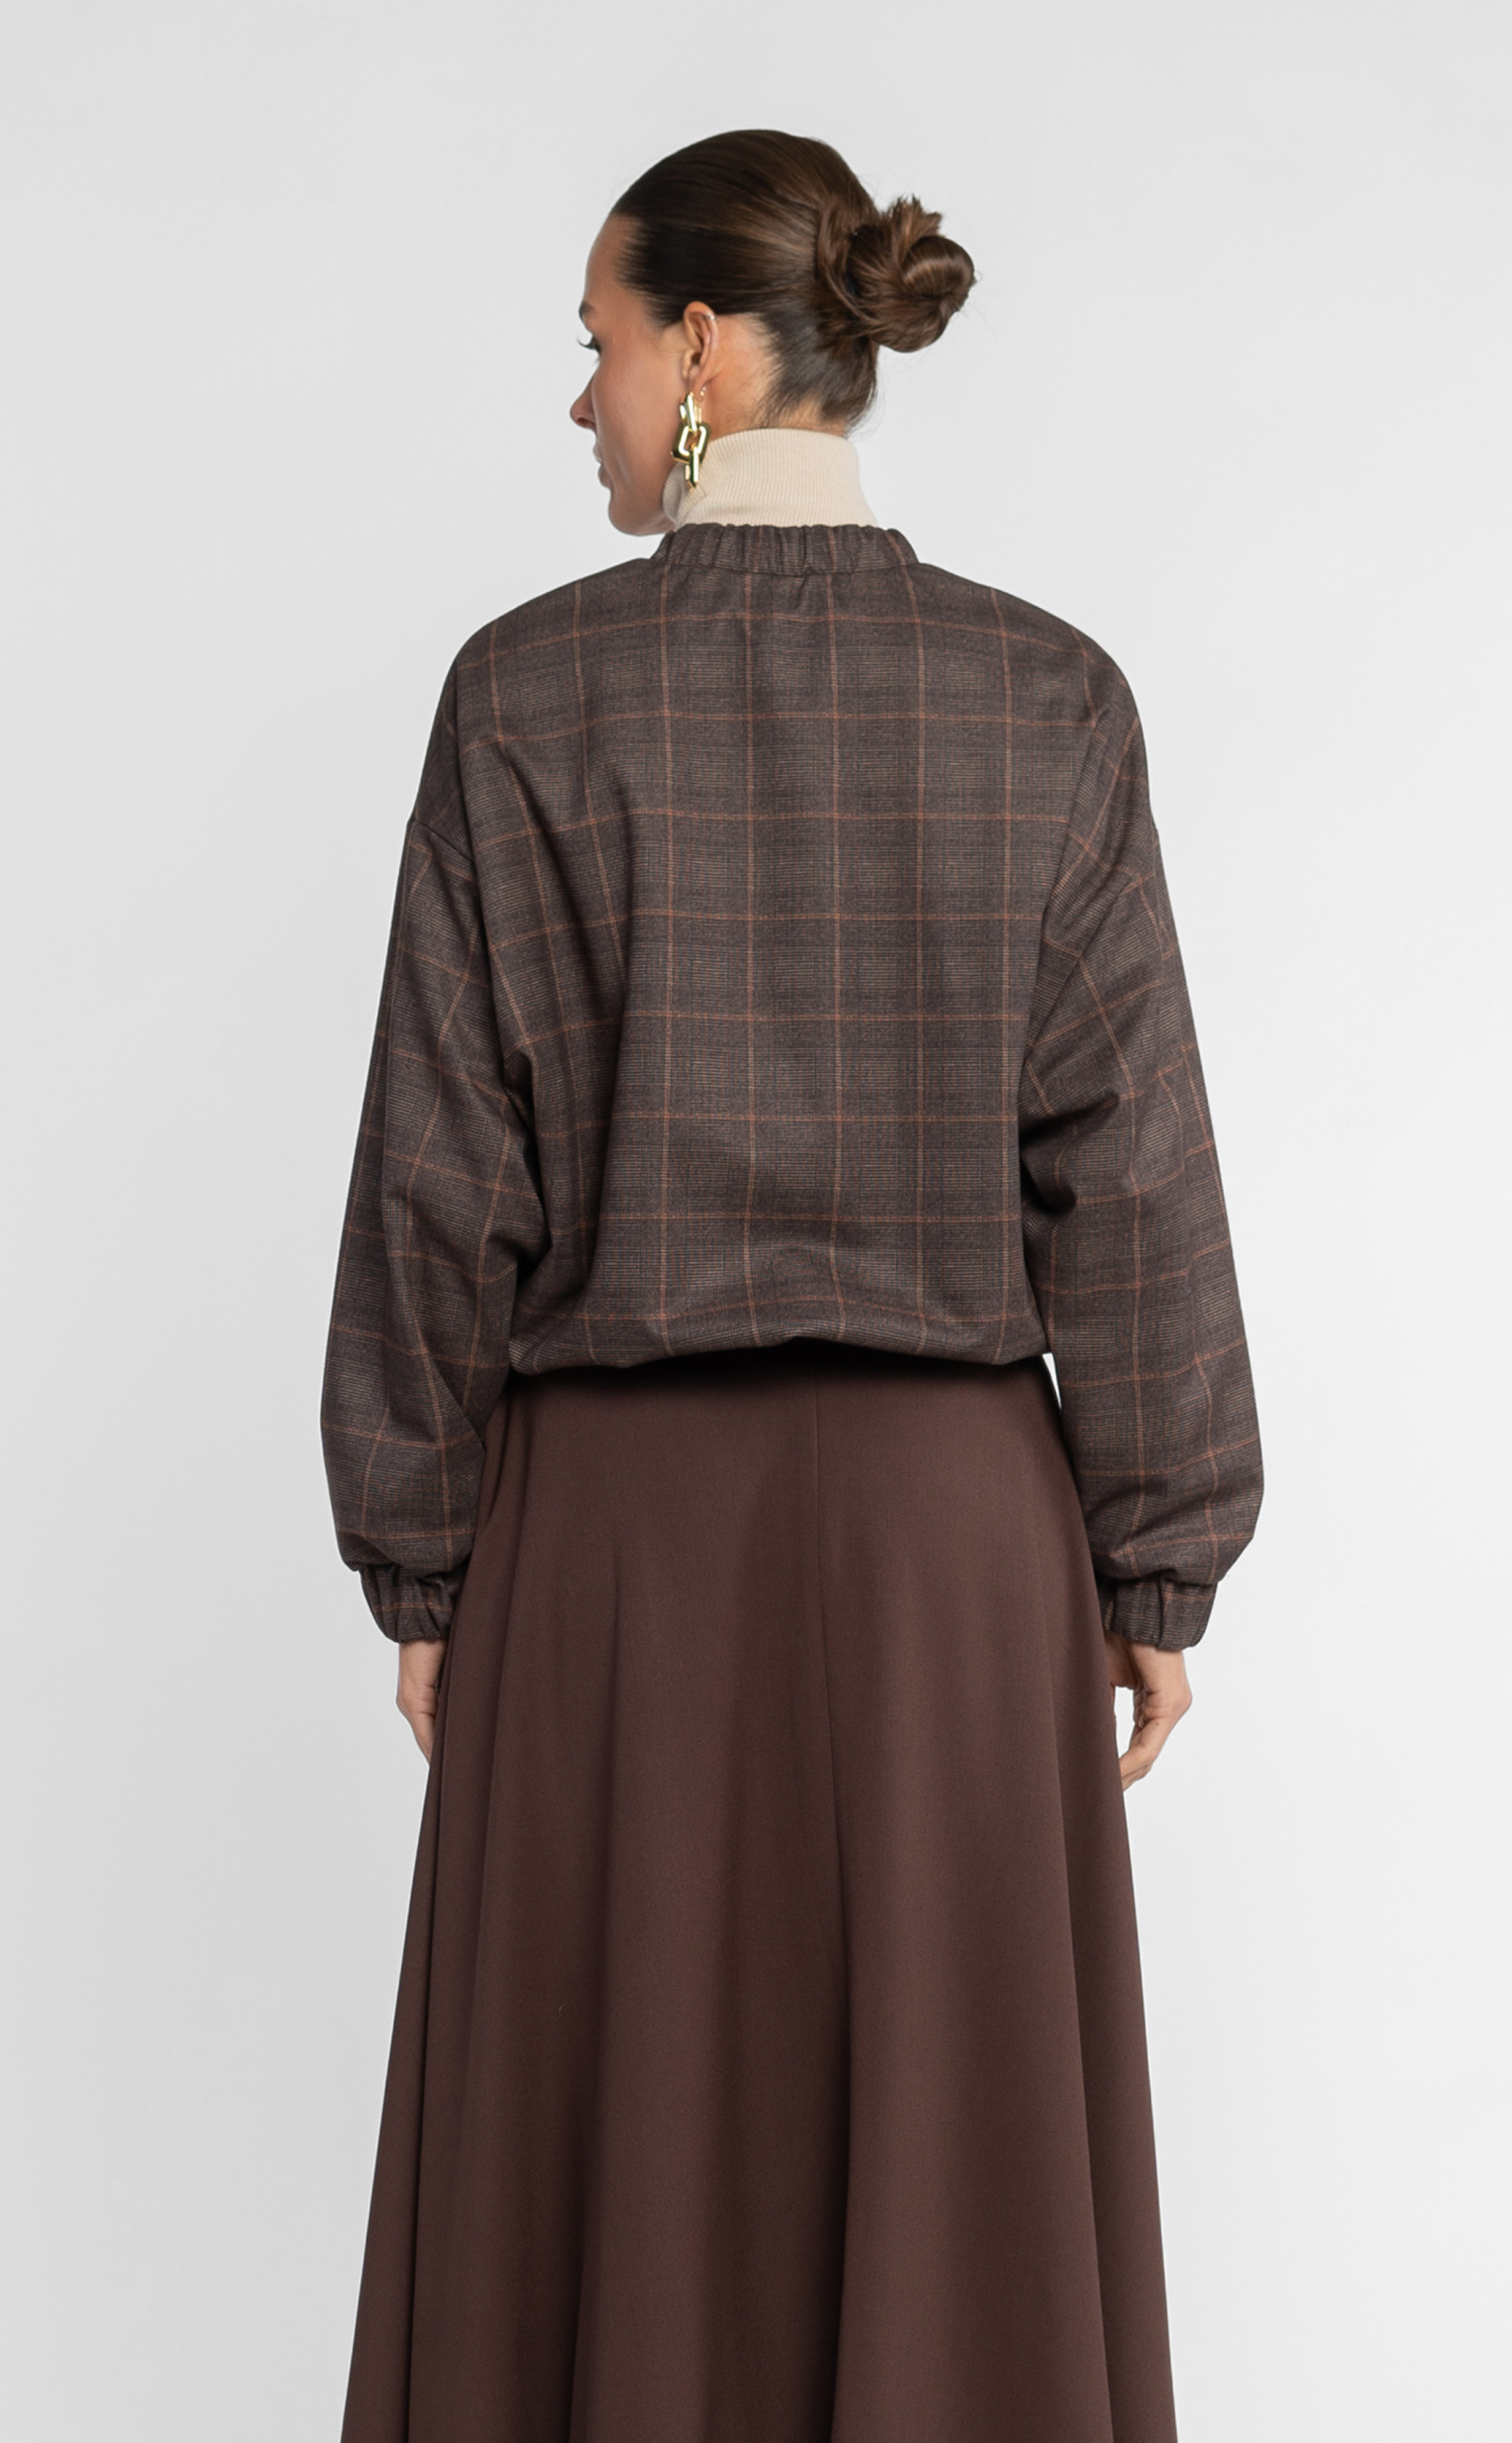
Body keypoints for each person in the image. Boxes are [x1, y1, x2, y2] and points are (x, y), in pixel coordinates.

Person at [319, 128, 1261, 2443]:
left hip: (612, 1558)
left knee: (609, 2164)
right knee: (959, 2167)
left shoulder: (525, 695)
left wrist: (419, 1556)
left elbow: (441, 1174)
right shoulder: (1043, 694)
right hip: (951, 1557)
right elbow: (1127, 1166)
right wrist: (1155, 1553)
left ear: (703, 352)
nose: (581, 400)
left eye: (595, 346)